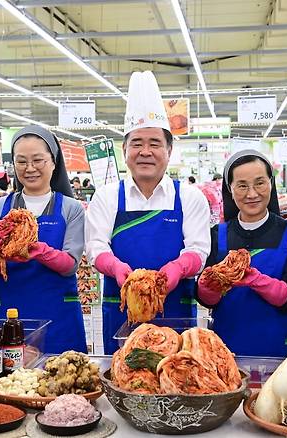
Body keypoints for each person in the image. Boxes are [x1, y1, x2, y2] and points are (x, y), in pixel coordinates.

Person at [85, 71, 210, 354]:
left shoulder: (189, 197)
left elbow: (199, 250)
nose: (145, 151)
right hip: (121, 315)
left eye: (154, 143)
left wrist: (176, 269)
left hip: (176, 312)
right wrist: (116, 268)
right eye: (137, 143)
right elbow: (95, 246)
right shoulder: (106, 196)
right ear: (125, 149)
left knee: (177, 379)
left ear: (169, 150)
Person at [0, 126, 86, 354]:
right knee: (8, 383)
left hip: (58, 314)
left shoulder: (71, 208)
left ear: (54, 162)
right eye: (21, 162)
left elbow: (70, 265)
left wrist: (39, 250)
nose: (30, 168)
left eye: (38, 160)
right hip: (9, 313)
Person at [196, 150, 287, 357]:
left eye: (260, 183)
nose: (252, 194)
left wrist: (255, 279)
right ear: (230, 189)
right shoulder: (217, 235)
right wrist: (206, 286)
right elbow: (208, 301)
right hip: (227, 348)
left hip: (282, 349)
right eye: (242, 185)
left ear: (271, 184)